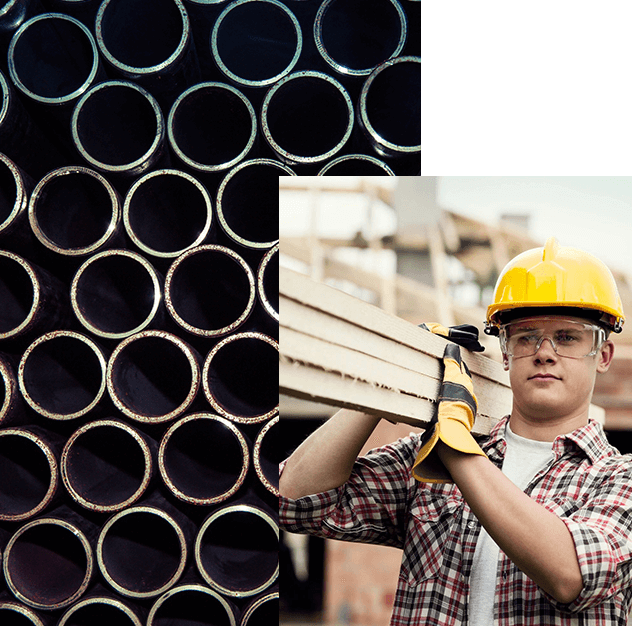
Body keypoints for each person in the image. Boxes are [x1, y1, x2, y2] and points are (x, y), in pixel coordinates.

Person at [279, 237, 632, 625]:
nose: (544, 351)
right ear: (506, 352)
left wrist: (454, 446)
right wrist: (390, 378)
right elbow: (295, 501)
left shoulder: (617, 478)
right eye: (526, 335)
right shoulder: (428, 454)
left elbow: (572, 575)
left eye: (567, 337)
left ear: (603, 355)